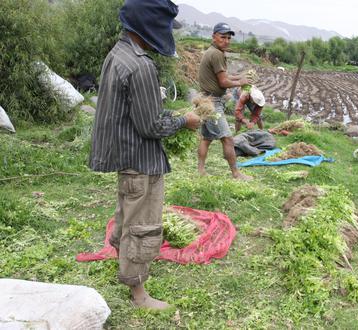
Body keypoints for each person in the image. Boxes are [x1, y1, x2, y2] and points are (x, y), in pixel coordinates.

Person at [89, 0, 200, 310]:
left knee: (127, 218)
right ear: (150, 26)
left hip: (126, 158)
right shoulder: (141, 66)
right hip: (141, 162)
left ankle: (124, 269)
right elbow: (151, 124)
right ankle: (139, 295)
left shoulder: (118, 55)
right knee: (141, 226)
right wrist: (184, 120)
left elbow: (134, 111)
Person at [197, 22, 252, 180]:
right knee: (227, 138)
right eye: (223, 37)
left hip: (205, 99)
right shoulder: (217, 54)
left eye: (229, 38)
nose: (226, 40)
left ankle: (200, 170)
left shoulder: (213, 51)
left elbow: (224, 76)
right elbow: (223, 82)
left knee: (206, 138)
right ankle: (236, 173)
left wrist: (240, 77)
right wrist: (239, 83)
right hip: (212, 102)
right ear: (214, 36)